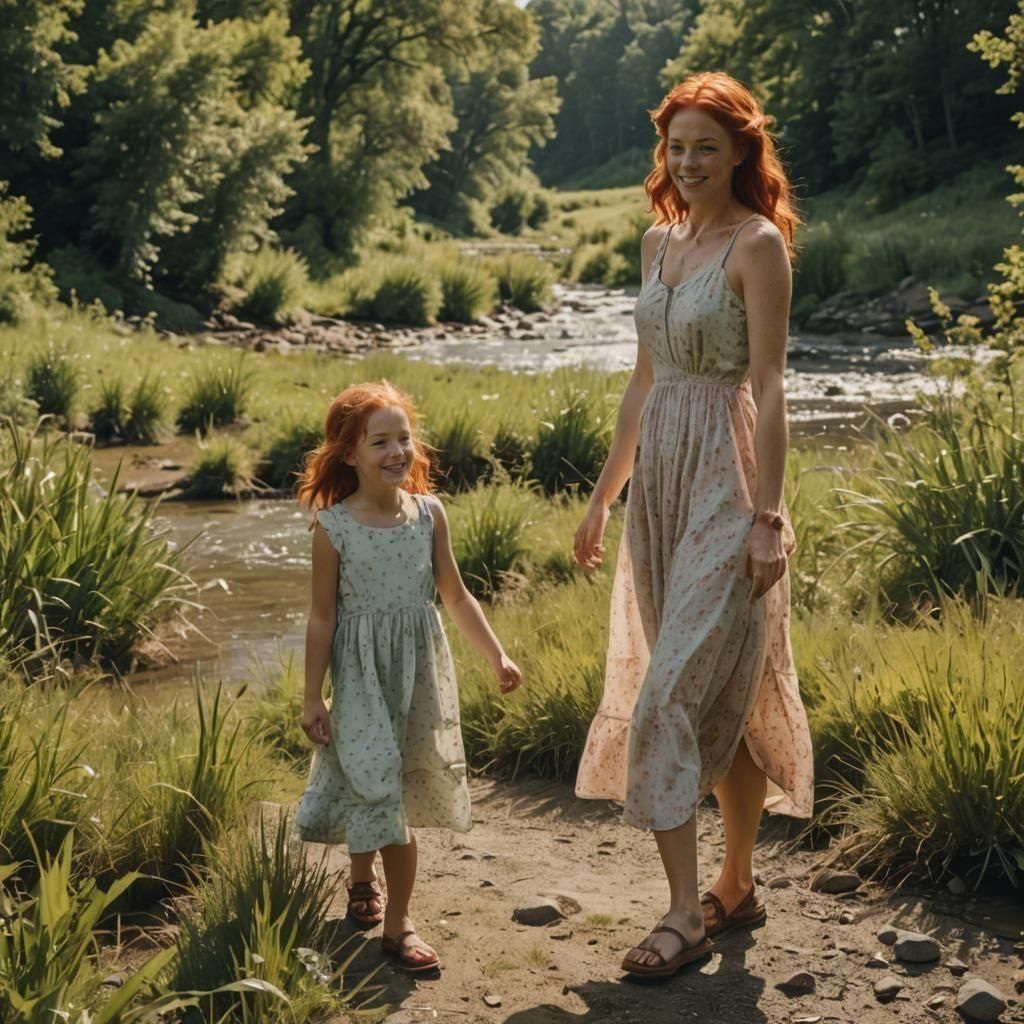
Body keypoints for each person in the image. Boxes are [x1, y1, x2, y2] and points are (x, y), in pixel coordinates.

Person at [572, 71, 815, 978]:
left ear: (743, 150)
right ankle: (737, 882)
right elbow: (643, 382)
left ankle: (683, 914)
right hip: (659, 486)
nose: (689, 161)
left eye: (707, 145)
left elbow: (770, 384)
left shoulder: (758, 246)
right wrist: (604, 494)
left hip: (727, 475)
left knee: (668, 694)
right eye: (677, 146)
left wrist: (768, 515)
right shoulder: (656, 243)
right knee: (725, 691)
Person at [294, 381, 523, 974]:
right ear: (349, 454)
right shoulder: (334, 528)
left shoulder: (429, 515)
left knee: (395, 782)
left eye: (404, 438)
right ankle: (388, 911)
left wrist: (497, 655)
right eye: (380, 442)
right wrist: (312, 693)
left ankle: (385, 907)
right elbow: (322, 618)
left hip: (420, 675)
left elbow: (456, 594)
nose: (397, 451)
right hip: (362, 675)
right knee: (372, 780)